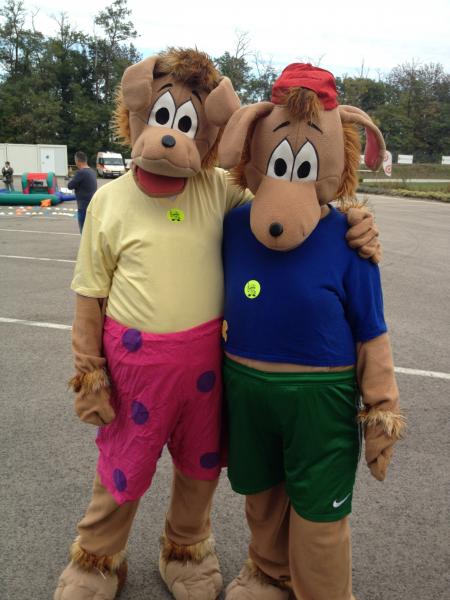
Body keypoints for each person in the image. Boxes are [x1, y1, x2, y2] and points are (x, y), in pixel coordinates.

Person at [68, 151, 97, 233]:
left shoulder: (81, 172)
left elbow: (70, 186)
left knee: (84, 232)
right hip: (92, 206)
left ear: (77, 161)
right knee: (90, 232)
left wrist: (71, 176)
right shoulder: (92, 171)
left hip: (83, 207)